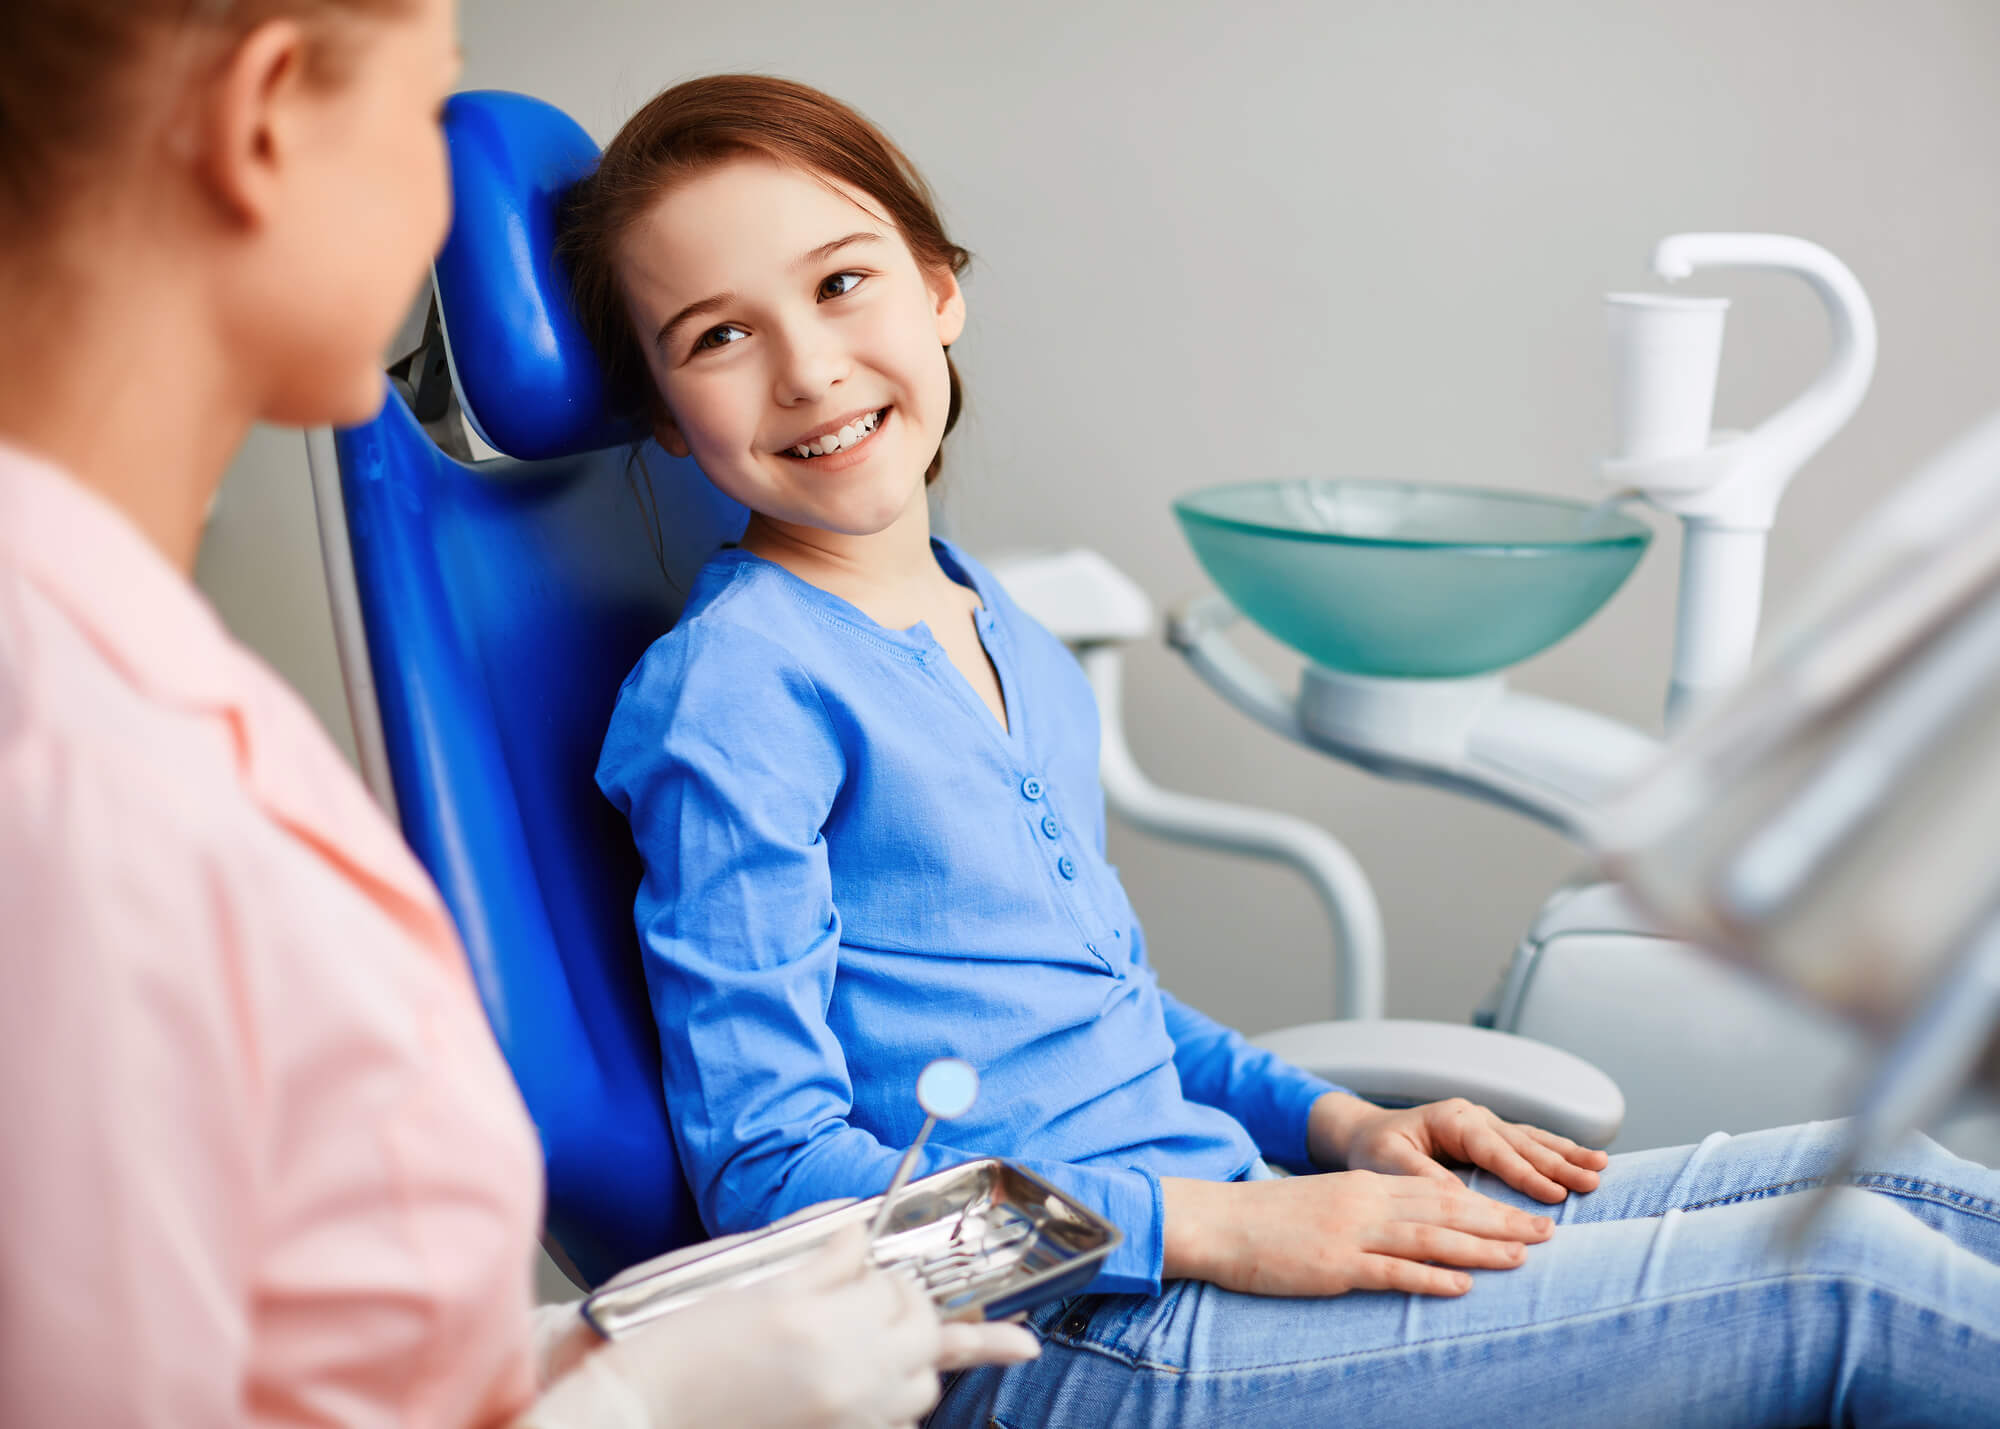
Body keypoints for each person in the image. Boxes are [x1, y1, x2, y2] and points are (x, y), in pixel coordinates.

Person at [570, 74, 2000, 1427]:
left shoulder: (987, 618)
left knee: (1885, 1175)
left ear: (941, 290)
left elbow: (1112, 1014)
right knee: (1846, 1283)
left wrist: (1328, 1122)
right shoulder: (740, 692)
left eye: (840, 282)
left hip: (1205, 1223)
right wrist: (1214, 1221)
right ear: (664, 416)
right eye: (718, 335)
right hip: (1051, 1343)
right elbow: (779, 1196)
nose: (811, 366)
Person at [0, 4, 1036, 1425]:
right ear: (267, 119)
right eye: (432, 109)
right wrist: (643, 1414)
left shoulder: (149, 683)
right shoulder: (72, 778)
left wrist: (568, 1368)